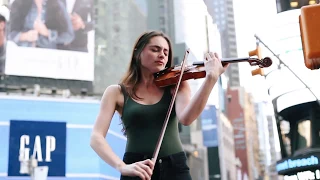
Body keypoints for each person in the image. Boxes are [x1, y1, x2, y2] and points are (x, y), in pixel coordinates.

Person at [90, 31, 229, 180]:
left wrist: (211, 79)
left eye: (165, 52)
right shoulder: (115, 92)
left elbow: (186, 118)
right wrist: (122, 166)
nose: (162, 55)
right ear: (138, 52)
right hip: (137, 168)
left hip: (175, 168)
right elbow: (96, 137)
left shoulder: (177, 84)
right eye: (155, 49)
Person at [8, 0, 74, 49]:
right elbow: (7, 33)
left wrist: (47, 33)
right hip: (22, 54)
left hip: (47, 57)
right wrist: (24, 36)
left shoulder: (58, 5)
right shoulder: (18, 3)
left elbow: (69, 36)